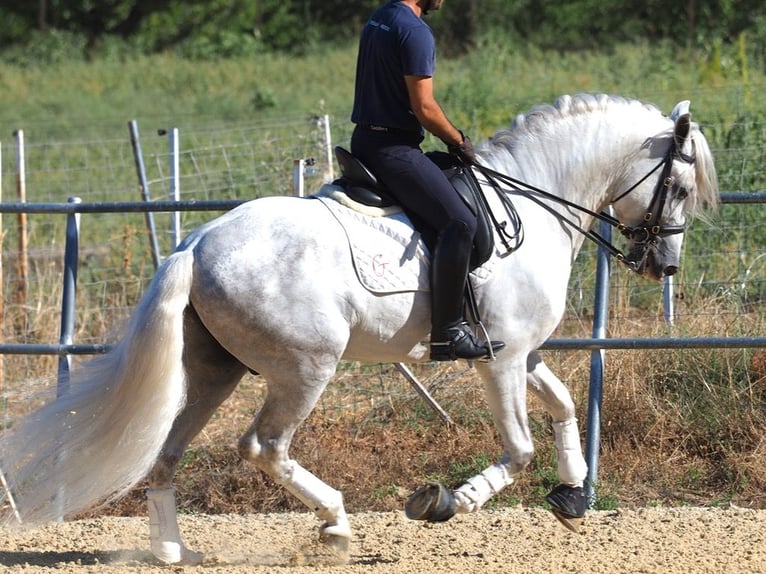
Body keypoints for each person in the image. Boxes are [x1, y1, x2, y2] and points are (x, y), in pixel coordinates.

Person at [350, 0, 505, 362]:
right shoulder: (415, 30)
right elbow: (425, 108)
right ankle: (448, 332)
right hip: (393, 150)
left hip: (366, 140)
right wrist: (458, 140)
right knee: (460, 221)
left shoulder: (380, 17)